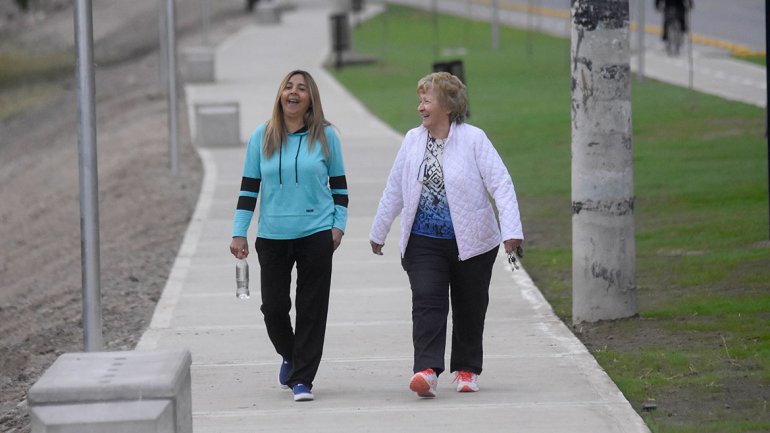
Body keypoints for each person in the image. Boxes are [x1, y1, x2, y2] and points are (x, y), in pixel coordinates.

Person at [369, 72, 523, 398]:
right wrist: (379, 231)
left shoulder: (474, 140)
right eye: (420, 99)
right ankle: (426, 370)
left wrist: (511, 231)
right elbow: (395, 188)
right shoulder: (412, 140)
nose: (420, 106)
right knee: (427, 301)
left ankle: (466, 369)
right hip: (423, 241)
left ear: (449, 106)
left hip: (473, 242)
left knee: (470, 305)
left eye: (427, 100)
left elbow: (501, 185)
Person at [229, 70, 348, 402]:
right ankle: (291, 354)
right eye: (288, 87)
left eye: (302, 89)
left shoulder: (326, 136)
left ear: (311, 99)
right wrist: (239, 232)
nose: (293, 92)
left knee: (312, 309)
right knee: (274, 308)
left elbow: (339, 188)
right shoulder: (262, 136)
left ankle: (303, 379)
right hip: (272, 235)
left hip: (316, 234)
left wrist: (338, 226)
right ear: (280, 94)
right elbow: (249, 189)